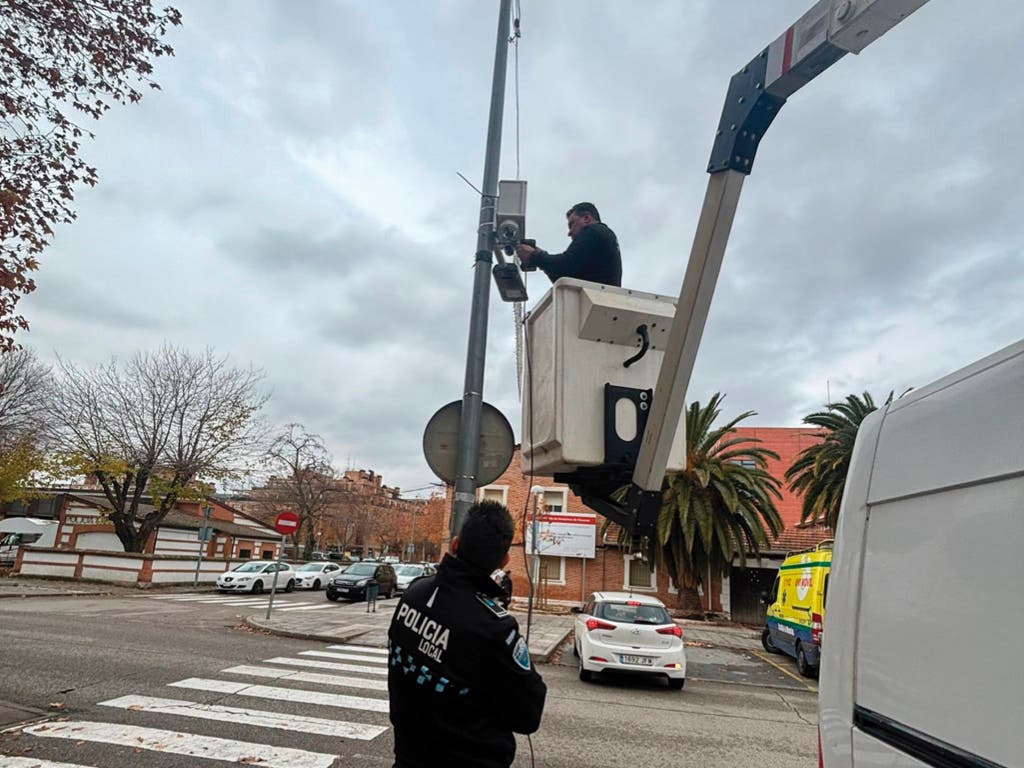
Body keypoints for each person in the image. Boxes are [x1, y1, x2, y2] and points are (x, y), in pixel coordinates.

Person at [387, 500, 547, 768]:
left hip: (408, 756)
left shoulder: (414, 594)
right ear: (503, 560)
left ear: (455, 544)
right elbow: (528, 716)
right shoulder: (494, 627)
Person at [515, 201, 622, 286]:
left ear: (586, 218)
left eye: (572, 224)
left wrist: (535, 256)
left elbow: (566, 265)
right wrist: (539, 256)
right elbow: (563, 277)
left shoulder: (592, 231)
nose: (569, 232)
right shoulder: (603, 236)